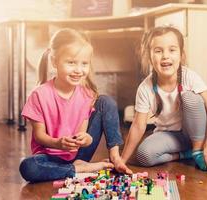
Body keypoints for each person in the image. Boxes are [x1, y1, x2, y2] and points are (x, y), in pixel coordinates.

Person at [19, 28, 131, 182]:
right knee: (28, 167)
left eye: (84, 63)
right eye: (71, 63)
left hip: (78, 154)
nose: (78, 70)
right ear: (54, 61)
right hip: (49, 158)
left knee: (106, 101)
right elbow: (39, 136)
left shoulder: (86, 94)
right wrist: (58, 143)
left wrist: (86, 139)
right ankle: (79, 169)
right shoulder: (39, 95)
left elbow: (83, 135)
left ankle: (115, 156)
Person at [115, 26, 207, 172]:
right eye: (158, 51)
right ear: (150, 56)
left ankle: (197, 150)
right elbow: (138, 126)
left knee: (191, 97)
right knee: (144, 155)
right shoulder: (145, 88)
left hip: (192, 133)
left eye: (172, 50)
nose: (165, 56)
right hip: (168, 137)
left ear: (181, 55)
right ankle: (183, 154)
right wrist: (123, 160)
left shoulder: (190, 77)